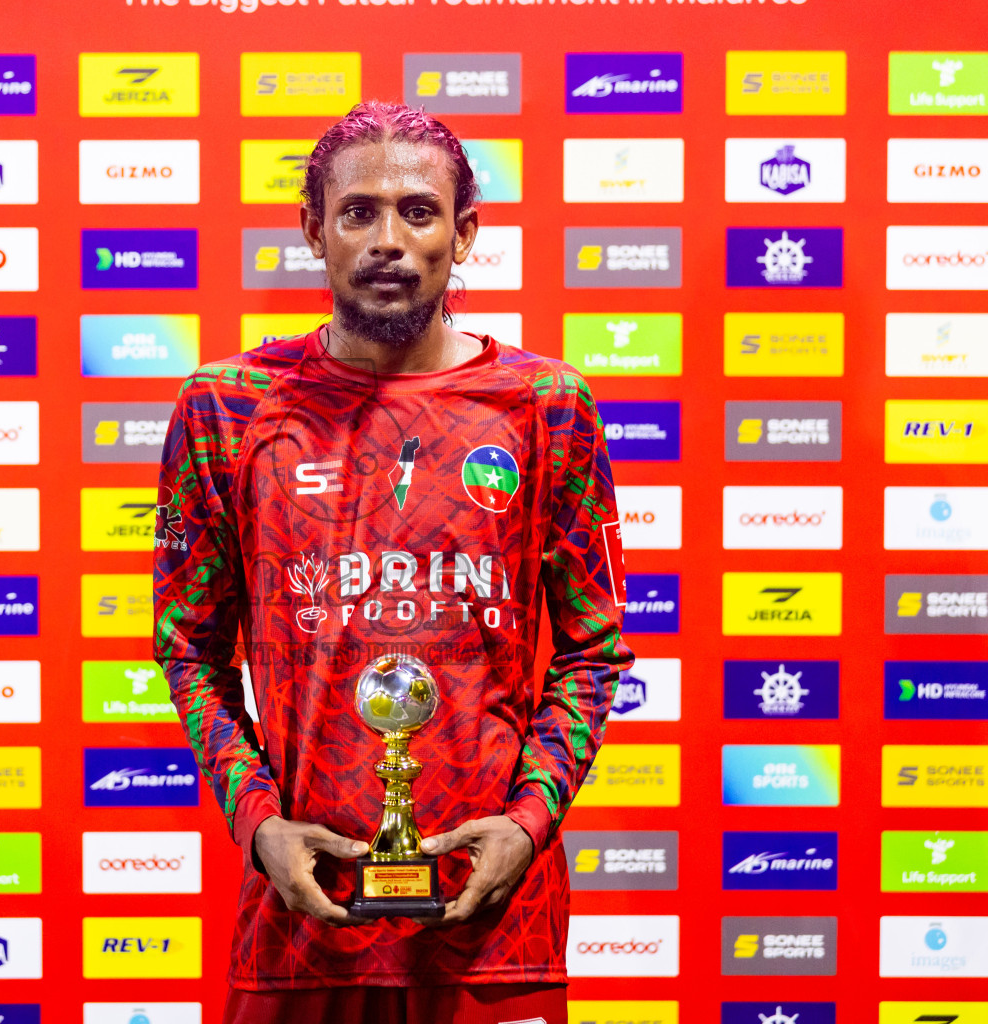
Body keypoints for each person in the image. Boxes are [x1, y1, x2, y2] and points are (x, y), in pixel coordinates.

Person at [153, 100, 632, 1024]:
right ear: (312, 231)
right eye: (358, 212)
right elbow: (189, 650)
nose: (388, 240)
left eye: (418, 211)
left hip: (492, 930)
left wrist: (530, 826)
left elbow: (593, 650)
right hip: (301, 935)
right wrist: (258, 828)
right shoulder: (229, 407)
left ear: (465, 233)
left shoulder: (544, 406)